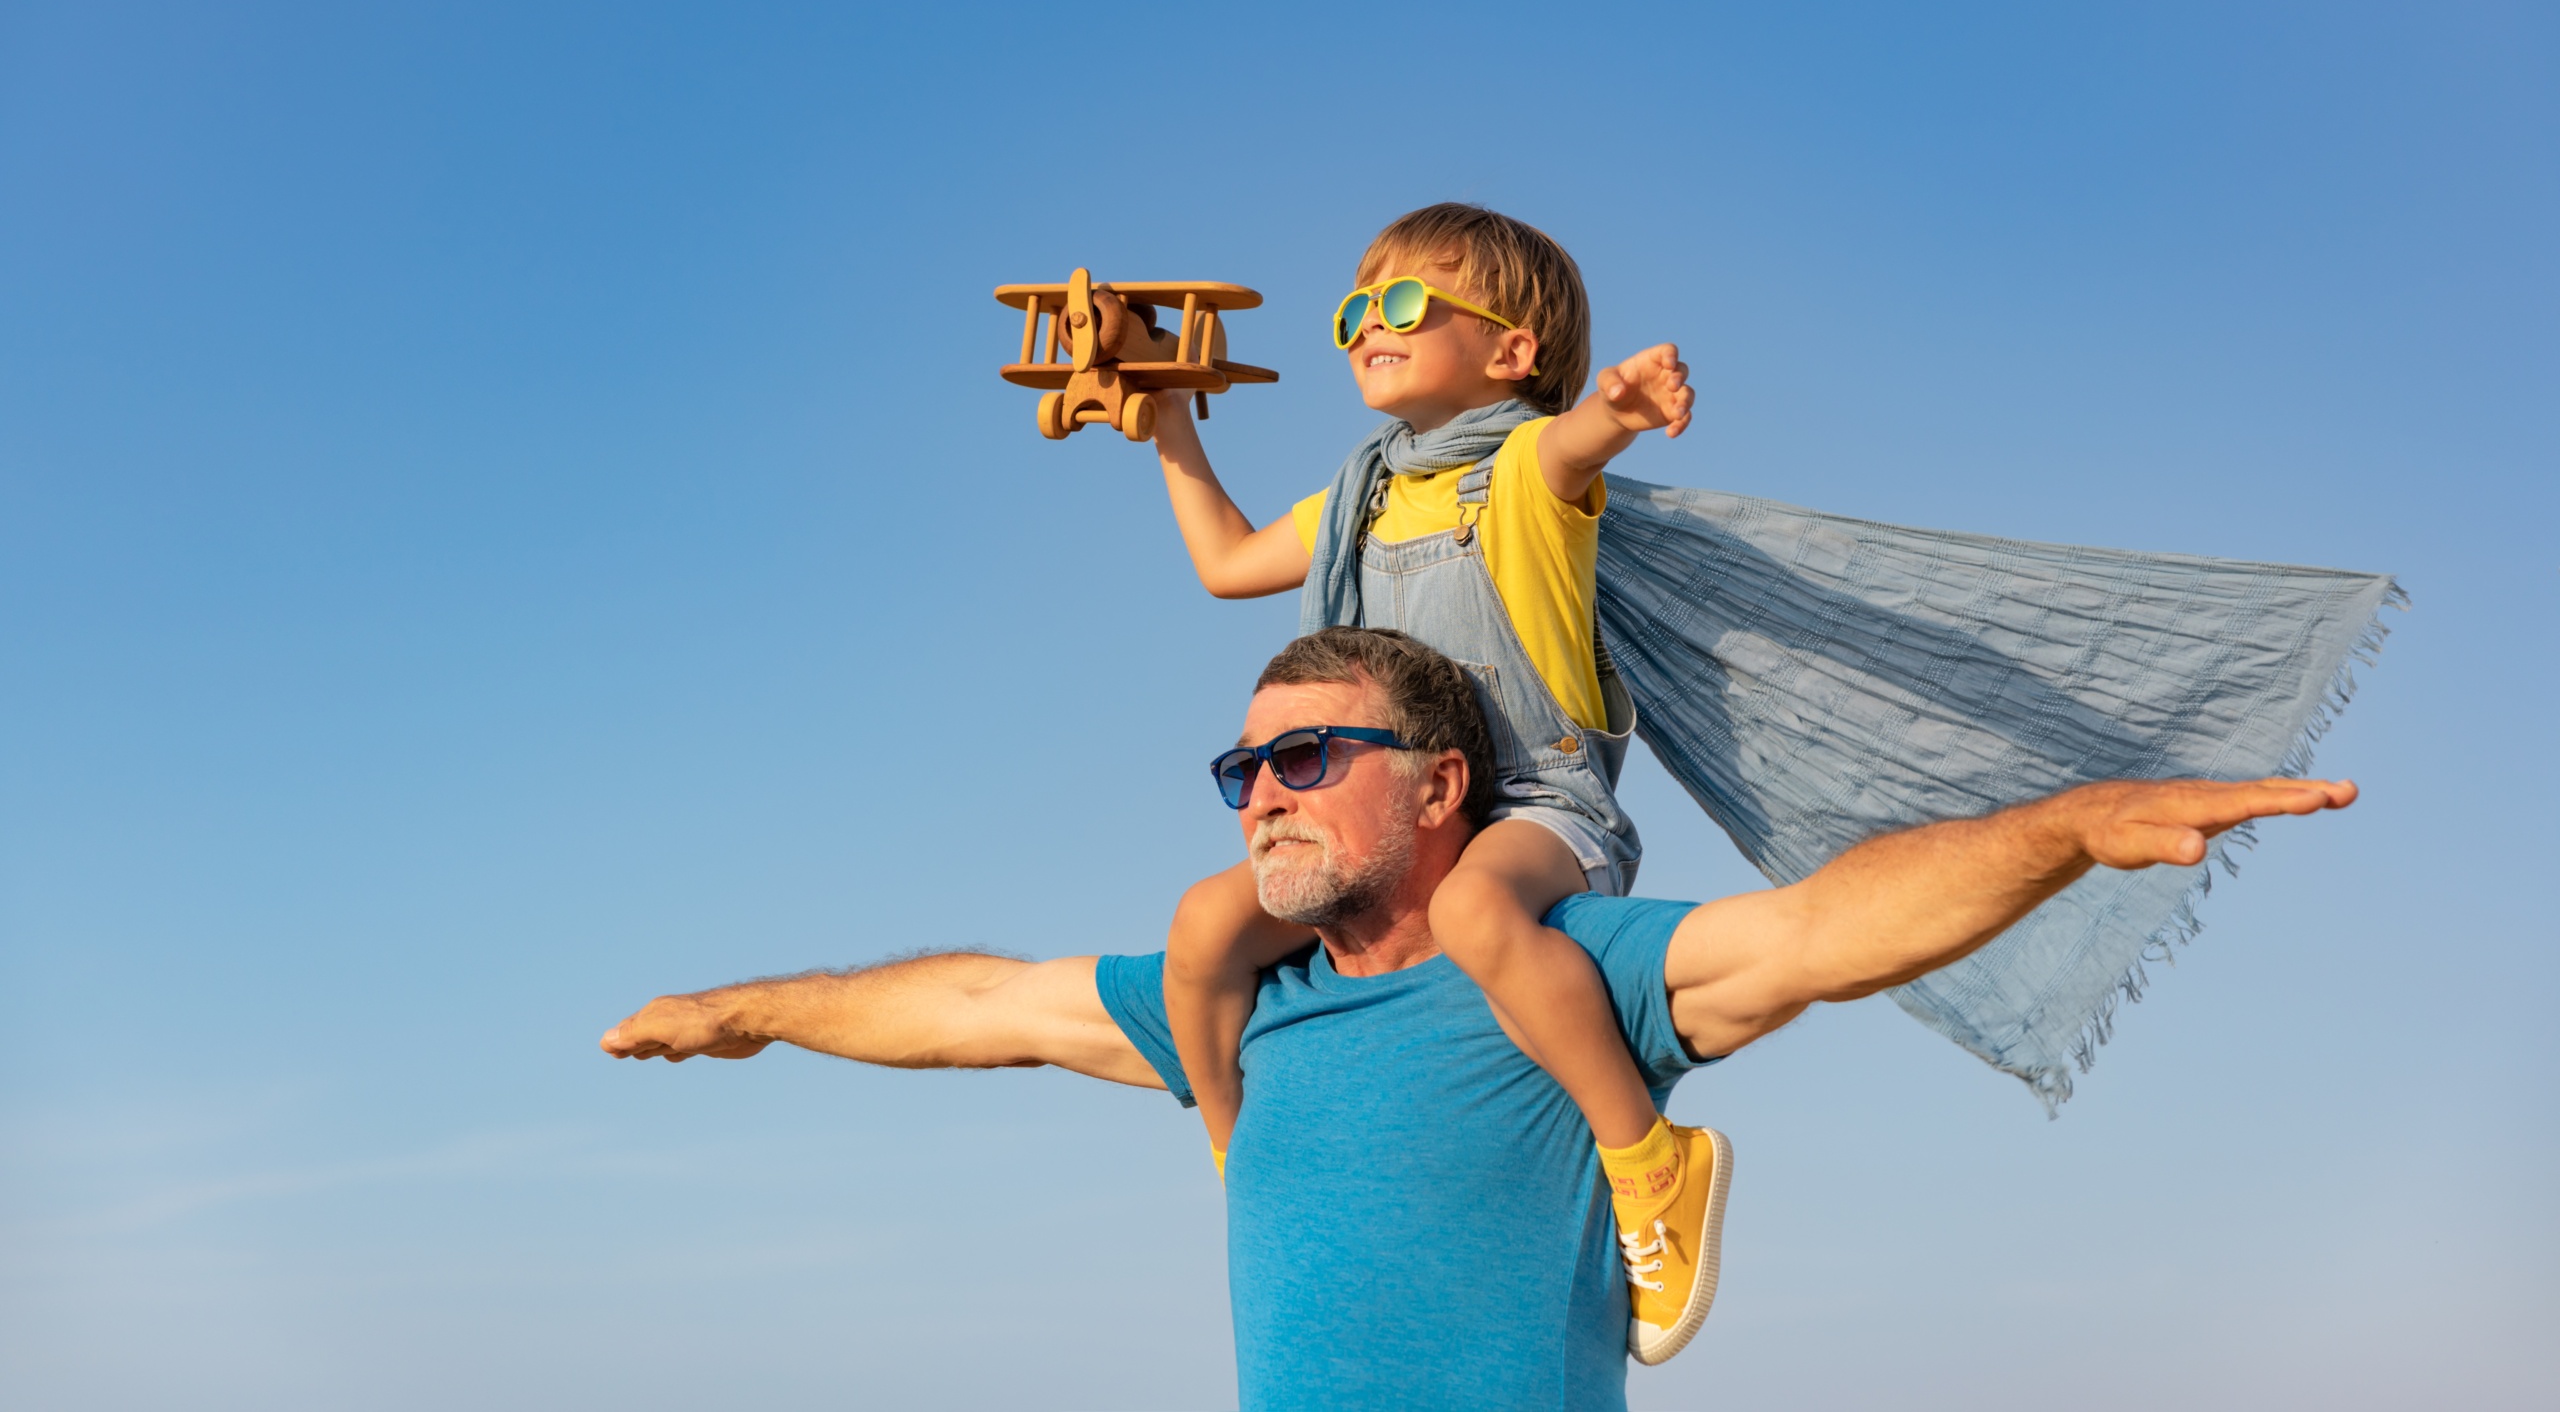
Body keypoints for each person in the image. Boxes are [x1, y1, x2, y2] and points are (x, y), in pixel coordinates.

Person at [600, 627, 2358, 1411]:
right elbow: (977, 1001)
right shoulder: (1245, 1002)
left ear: (1442, 782)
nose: (1260, 794)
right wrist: (746, 1007)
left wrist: (2056, 830)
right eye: (1240, 767)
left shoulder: (1562, 970)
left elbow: (1824, 930)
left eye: (1306, 757)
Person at [1142, 203, 1721, 1342]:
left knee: (1475, 913)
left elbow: (1571, 443)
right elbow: (1222, 562)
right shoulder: (1359, 497)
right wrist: (1167, 414)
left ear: (1511, 353)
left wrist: (1617, 406)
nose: (1369, 324)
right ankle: (1238, 1143)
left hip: (1536, 803)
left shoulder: (1520, 476)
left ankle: (1647, 1159)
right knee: (1205, 924)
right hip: (1396, 809)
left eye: (1406, 303)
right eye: (1357, 308)